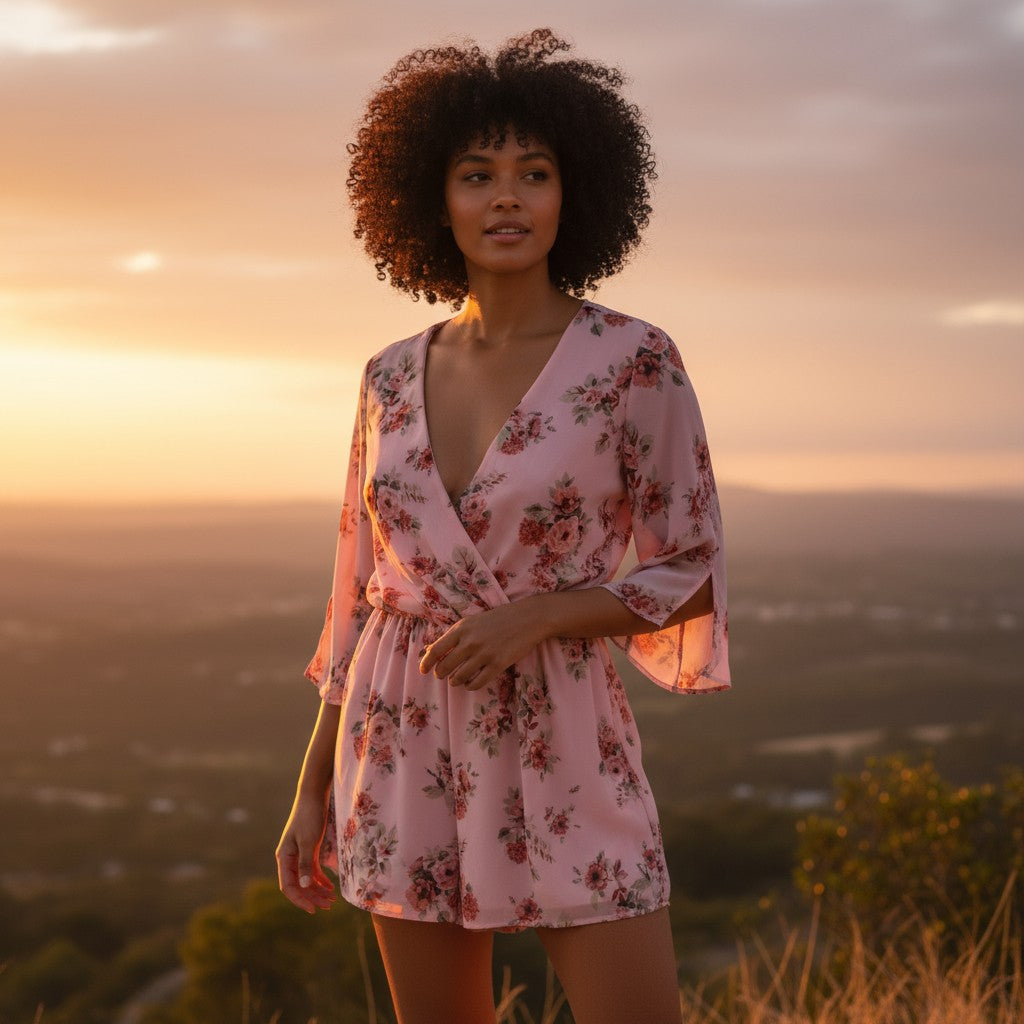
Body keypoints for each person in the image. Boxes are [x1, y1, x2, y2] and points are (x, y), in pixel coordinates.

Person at [276, 28, 730, 1024]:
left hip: (564, 726)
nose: (507, 198)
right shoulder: (386, 376)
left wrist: (537, 617)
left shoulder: (634, 361)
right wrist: (311, 788)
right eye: (477, 175)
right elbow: (356, 598)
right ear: (433, 199)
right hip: (398, 732)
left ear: (575, 193)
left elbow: (691, 570)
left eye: (535, 172)